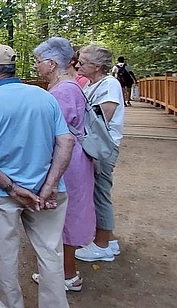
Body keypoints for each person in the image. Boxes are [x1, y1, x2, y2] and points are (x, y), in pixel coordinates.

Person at [0, 44, 74, 308]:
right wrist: (49, 185)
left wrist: (12, 188)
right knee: (50, 251)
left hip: (1, 192)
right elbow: (66, 142)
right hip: (47, 192)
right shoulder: (45, 96)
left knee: (6, 254)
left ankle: (8, 304)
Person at [33, 37, 96, 291]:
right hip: (73, 158)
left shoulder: (64, 90)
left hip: (68, 161)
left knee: (64, 216)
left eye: (38, 62)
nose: (37, 66)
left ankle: (67, 275)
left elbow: (58, 134)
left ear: (51, 63)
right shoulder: (66, 86)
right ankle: (63, 272)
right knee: (65, 215)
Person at [75, 45, 125, 262]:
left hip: (103, 147)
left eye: (83, 62)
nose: (78, 65)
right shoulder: (92, 85)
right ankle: (108, 239)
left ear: (96, 67)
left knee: (100, 193)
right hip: (94, 145)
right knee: (97, 190)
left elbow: (103, 114)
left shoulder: (110, 84)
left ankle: (102, 245)